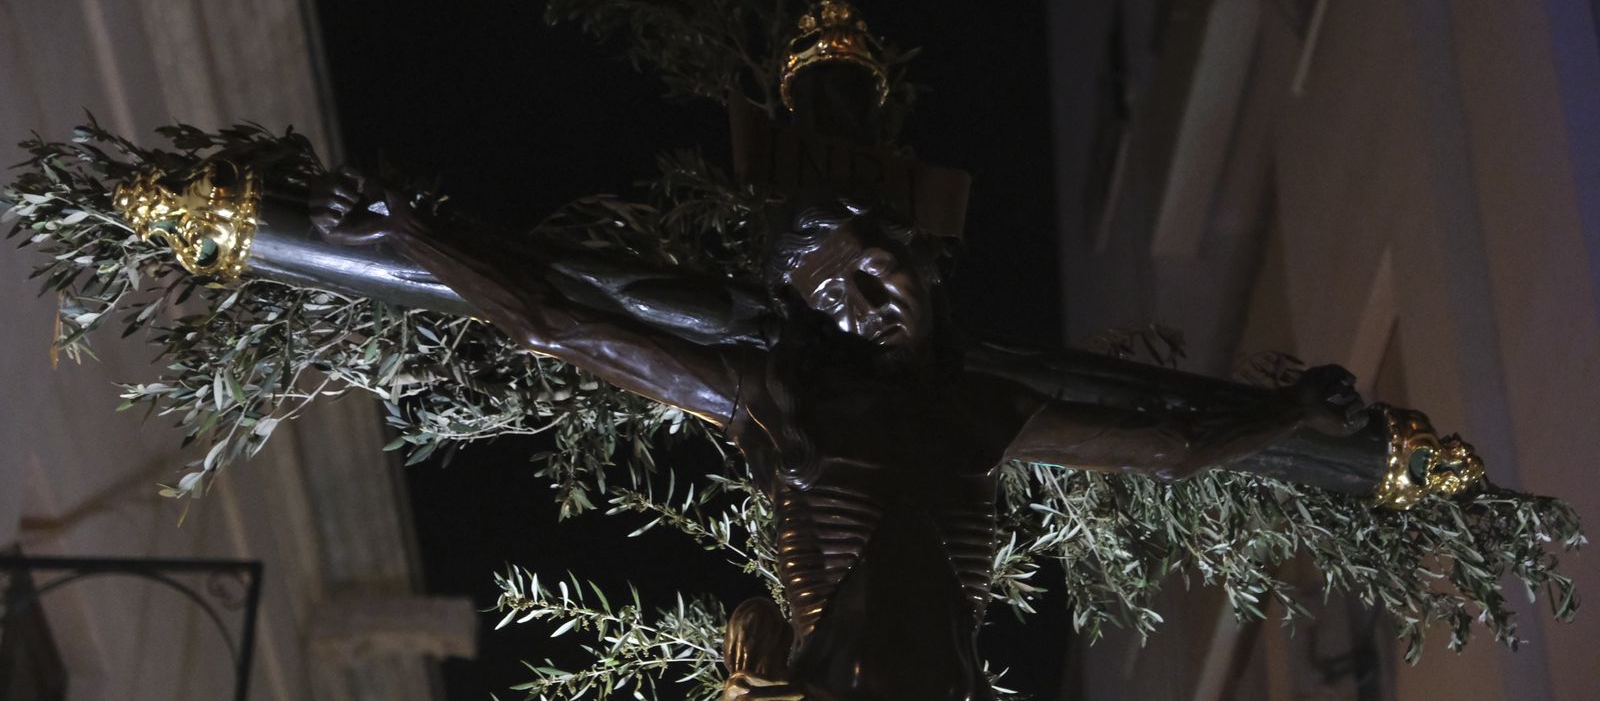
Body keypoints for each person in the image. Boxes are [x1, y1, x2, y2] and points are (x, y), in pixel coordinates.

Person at [312, 176, 1365, 701]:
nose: (863, 308)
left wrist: (1293, 414)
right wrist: (410, 232)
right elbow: (557, 325)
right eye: (832, 304)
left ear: (917, 259)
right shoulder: (782, 397)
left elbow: (1172, 448)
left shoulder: (986, 408)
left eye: (870, 271)